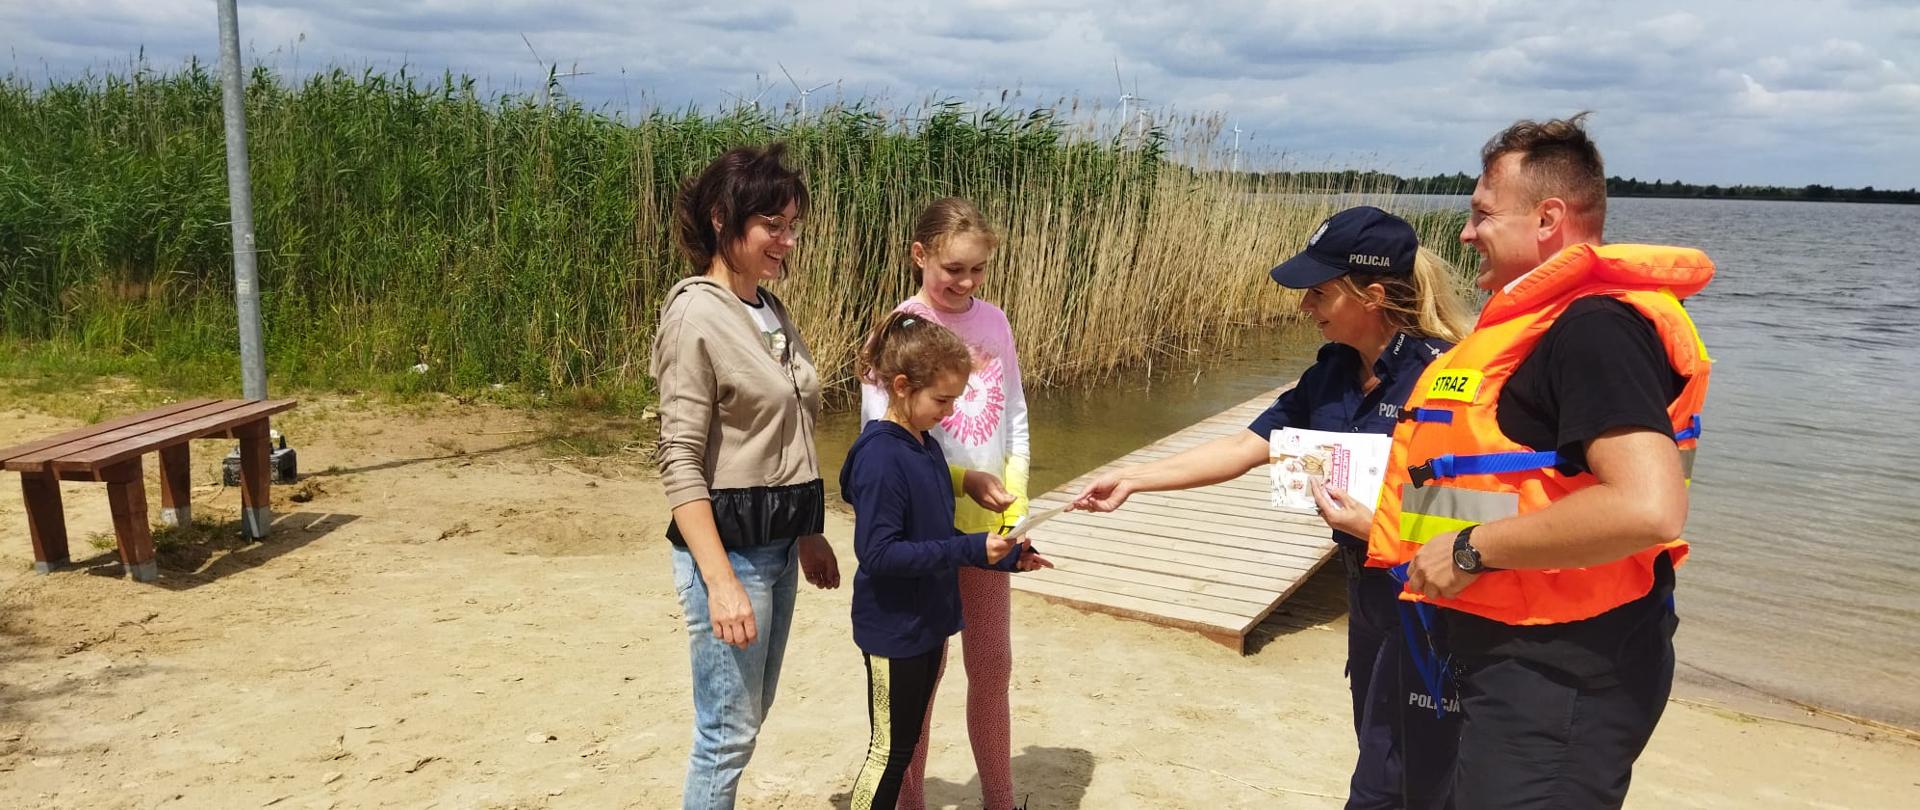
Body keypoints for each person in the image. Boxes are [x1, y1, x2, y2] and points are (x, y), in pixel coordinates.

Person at [1074, 206, 1474, 809]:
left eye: (1319, 292)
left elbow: (1477, 516)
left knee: (1398, 779)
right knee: (1379, 749)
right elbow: (1245, 445)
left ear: (1370, 295)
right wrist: (1134, 479)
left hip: (1427, 605)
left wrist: (1375, 524)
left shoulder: (1446, 376)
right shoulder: (1332, 373)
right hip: (1365, 598)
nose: (1303, 306)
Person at [1367, 114, 1713, 810]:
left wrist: (1466, 551)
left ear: (1549, 218)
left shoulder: (1594, 329)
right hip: (1505, 650)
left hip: (1563, 672)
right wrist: (1399, 522)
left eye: (1482, 214)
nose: (1465, 234)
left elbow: (1648, 505)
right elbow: (1519, 486)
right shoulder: (1535, 326)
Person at [649, 143, 843, 810]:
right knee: (726, 735)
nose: (787, 241)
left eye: (793, 226)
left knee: (747, 723)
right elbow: (679, 461)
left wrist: (807, 532)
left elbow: (787, 433)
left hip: (777, 549)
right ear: (720, 218)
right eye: (772, 225)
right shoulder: (695, 314)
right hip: (730, 556)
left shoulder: (769, 310)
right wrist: (721, 581)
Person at [858, 197, 1030, 810]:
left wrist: (1017, 501)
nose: (966, 282)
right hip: (922, 539)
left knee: (992, 669)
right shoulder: (898, 330)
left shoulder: (996, 324)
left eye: (978, 269)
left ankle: (1000, 800)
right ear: (919, 255)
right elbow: (883, 441)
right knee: (919, 680)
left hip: (988, 529)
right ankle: (908, 801)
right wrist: (960, 483)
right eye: (954, 268)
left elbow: (1014, 414)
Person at [842, 312, 1053, 810]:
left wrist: (1005, 559)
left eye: (957, 399)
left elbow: (940, 536)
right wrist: (968, 550)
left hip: (928, 625)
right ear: (900, 387)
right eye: (942, 400)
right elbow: (877, 553)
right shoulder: (880, 456)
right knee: (887, 754)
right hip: (892, 632)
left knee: (905, 743)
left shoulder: (925, 445)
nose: (951, 411)